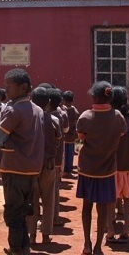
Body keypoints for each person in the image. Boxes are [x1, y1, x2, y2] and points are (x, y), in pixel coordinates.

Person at [0, 68, 44, 255]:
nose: (6, 90)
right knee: (22, 216)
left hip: (13, 169)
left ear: (23, 87)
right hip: (32, 170)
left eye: (9, 86)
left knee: (14, 217)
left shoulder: (13, 110)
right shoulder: (38, 110)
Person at [74, 80, 126, 255]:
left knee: (87, 207)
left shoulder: (86, 117)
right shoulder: (118, 116)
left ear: (94, 97)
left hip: (87, 168)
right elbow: (121, 134)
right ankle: (98, 247)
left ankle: (86, 245)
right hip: (107, 169)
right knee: (103, 208)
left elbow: (81, 137)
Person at [27, 86, 60, 247]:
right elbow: (58, 139)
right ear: (48, 103)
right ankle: (46, 235)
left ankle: (32, 235)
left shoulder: (29, 119)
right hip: (48, 164)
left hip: (31, 165)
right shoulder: (53, 120)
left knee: (32, 201)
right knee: (48, 200)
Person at [108, 87, 129, 243]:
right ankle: (126, 229)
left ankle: (110, 229)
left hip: (112, 164)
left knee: (110, 198)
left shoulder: (110, 117)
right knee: (128, 198)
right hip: (128, 164)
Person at [48, 87, 69, 225]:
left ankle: (39, 218)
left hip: (41, 159)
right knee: (54, 189)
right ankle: (54, 218)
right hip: (56, 157)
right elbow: (66, 130)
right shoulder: (62, 114)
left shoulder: (39, 115)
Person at [61, 90, 79, 178]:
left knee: (64, 154)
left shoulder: (62, 109)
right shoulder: (74, 110)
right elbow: (77, 117)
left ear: (63, 99)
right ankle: (68, 170)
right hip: (71, 136)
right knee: (70, 154)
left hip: (64, 136)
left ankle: (64, 170)